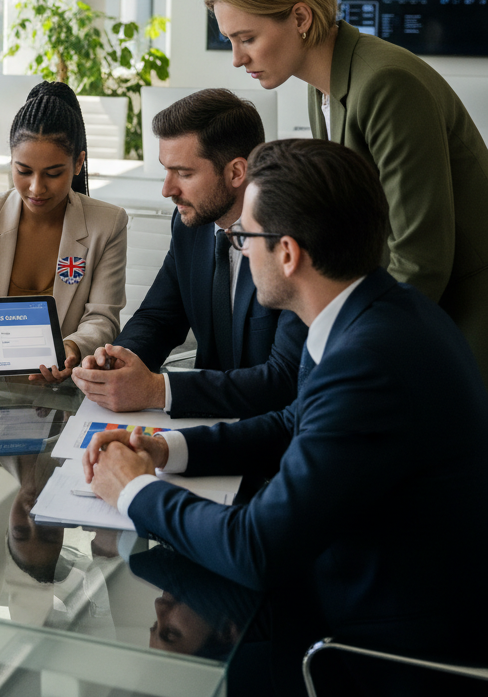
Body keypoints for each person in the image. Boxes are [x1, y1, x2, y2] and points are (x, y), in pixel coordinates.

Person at [83, 139, 488, 676]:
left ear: (290, 253)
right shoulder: (379, 310)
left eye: (245, 237)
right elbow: (296, 420)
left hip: (377, 648)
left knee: (172, 660)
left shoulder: (369, 360)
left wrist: (132, 489)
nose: (241, 250)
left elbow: (257, 549)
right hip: (359, 585)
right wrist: (164, 449)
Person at [207, 0, 488, 381]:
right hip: (406, 307)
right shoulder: (323, 86)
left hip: (460, 312)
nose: (238, 59)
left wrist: (353, 350)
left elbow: (422, 256)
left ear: (300, 16)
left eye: (247, 39)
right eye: (231, 41)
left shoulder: (386, 83)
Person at [72, 89, 306, 418]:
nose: (167, 190)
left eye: (184, 174)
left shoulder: (288, 243)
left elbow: (284, 380)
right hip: (205, 419)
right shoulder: (190, 225)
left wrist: (157, 390)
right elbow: (159, 317)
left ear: (237, 172)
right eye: (166, 170)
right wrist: (119, 361)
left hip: (271, 434)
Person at [0, 81, 128, 381]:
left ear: (78, 163)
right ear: (11, 161)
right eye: (23, 171)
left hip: (65, 385)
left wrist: (71, 348)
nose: (36, 188)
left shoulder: (108, 223)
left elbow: (102, 318)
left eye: (53, 173)